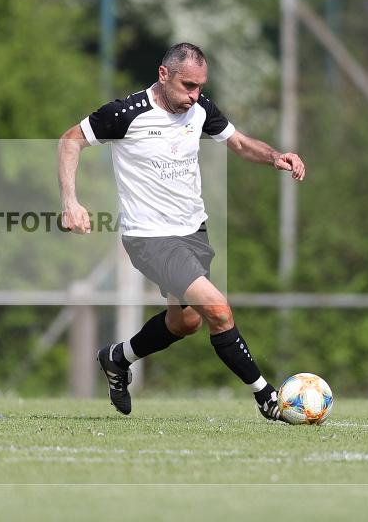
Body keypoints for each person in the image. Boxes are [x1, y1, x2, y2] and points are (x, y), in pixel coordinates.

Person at [58, 43, 305, 420]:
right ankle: (268, 397)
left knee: (185, 322)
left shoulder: (201, 108)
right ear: (163, 75)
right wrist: (71, 203)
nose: (194, 95)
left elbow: (238, 143)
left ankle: (115, 358)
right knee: (218, 311)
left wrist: (275, 156)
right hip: (150, 239)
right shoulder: (126, 114)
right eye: (188, 85)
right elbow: (69, 140)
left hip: (193, 232)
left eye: (200, 87)